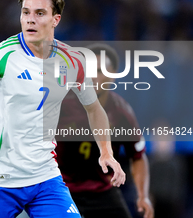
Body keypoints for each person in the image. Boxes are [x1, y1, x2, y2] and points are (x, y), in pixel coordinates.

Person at [0, 0, 125, 218]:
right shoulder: (1, 55)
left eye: (40, 13)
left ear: (56, 19)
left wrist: (106, 152)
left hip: (45, 177)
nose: (30, 19)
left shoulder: (73, 61)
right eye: (25, 12)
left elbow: (94, 109)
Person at [56, 44, 154, 218]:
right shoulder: (60, 103)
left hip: (102, 192)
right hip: (60, 190)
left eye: (100, 71)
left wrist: (143, 195)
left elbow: (138, 156)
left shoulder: (121, 112)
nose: (93, 77)